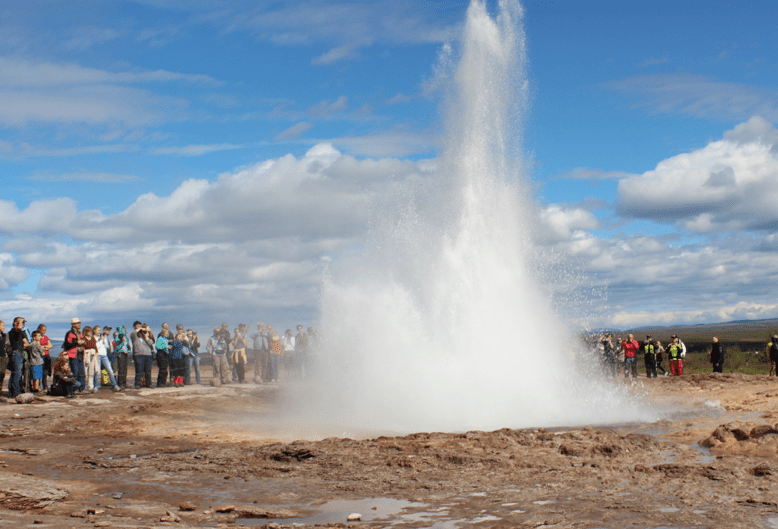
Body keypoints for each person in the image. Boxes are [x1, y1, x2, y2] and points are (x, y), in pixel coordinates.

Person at [8, 317, 30, 398]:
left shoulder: (21, 332)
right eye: (22, 322)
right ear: (17, 323)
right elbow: (26, 343)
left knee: (17, 373)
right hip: (16, 353)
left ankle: (13, 391)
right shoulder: (15, 331)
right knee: (17, 373)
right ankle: (15, 392)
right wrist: (19, 324)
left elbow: (26, 343)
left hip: (20, 353)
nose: (24, 323)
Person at [94, 325, 121, 392]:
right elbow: (97, 346)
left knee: (109, 370)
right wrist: (101, 340)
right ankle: (96, 386)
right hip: (99, 355)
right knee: (98, 371)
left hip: (105, 355)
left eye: (110, 330)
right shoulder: (100, 336)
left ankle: (114, 385)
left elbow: (107, 346)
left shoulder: (107, 337)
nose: (109, 331)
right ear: (104, 330)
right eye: (108, 329)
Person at [63, 317, 86, 393]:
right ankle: (74, 389)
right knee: (75, 372)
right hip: (73, 355)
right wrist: (76, 343)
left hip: (80, 354)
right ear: (74, 324)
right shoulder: (69, 334)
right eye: (78, 323)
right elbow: (67, 345)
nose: (79, 325)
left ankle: (82, 389)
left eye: (80, 323)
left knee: (81, 373)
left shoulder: (80, 333)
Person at [36, 324, 53, 392]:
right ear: (39, 330)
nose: (44, 331)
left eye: (45, 330)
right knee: (39, 372)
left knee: (45, 372)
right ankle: (38, 387)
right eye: (43, 330)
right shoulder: (37, 337)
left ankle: (45, 386)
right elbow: (38, 346)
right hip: (40, 356)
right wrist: (45, 346)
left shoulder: (46, 337)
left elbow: (51, 345)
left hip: (46, 356)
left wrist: (45, 347)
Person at [82, 326, 99, 394]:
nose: (89, 332)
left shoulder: (93, 338)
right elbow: (84, 346)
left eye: (90, 331)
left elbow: (95, 346)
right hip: (86, 355)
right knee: (85, 371)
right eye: (88, 331)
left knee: (91, 372)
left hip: (93, 355)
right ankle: (83, 386)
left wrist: (96, 352)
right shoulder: (83, 338)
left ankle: (90, 386)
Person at [29, 330, 45, 394]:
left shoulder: (30, 344)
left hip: (32, 361)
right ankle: (36, 389)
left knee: (34, 377)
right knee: (37, 377)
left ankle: (34, 388)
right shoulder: (36, 344)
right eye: (38, 336)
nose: (40, 337)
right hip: (38, 361)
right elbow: (43, 353)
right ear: (34, 337)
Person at [0, 321, 9, 395]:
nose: (4, 327)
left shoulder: (4, 335)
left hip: (3, 356)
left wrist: (6, 353)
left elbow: (5, 345)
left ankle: (0, 390)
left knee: (2, 374)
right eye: (2, 325)